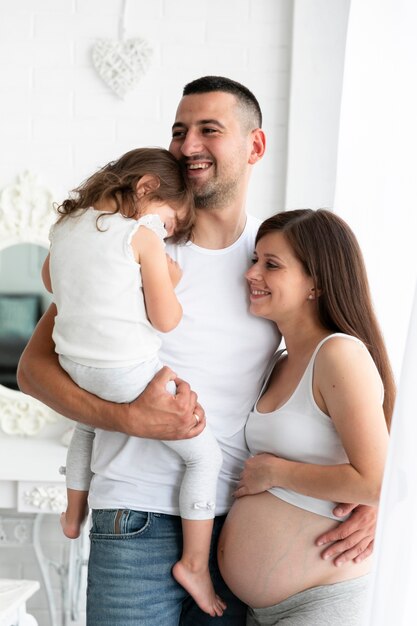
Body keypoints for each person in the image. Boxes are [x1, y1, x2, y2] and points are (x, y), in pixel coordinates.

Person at [18, 77, 378, 626]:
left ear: (255, 146)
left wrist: (379, 499)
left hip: (236, 524)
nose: (187, 146)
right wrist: (127, 418)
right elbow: (35, 370)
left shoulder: (275, 261)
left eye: (210, 130)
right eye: (180, 131)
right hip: (137, 518)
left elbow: (357, 362)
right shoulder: (133, 247)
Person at [41, 147, 226, 617]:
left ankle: (73, 512)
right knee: (205, 455)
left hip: (74, 364)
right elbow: (165, 320)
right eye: (169, 224)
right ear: (145, 189)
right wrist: (169, 273)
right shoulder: (141, 237)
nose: (166, 234)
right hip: (125, 371)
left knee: (89, 425)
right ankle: (195, 564)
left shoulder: (65, 227)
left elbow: (50, 280)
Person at [218, 209, 395, 625]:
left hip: (321, 603)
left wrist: (276, 473)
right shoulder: (278, 362)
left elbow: (377, 481)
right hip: (259, 610)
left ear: (316, 282)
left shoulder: (338, 354)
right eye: (254, 260)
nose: (251, 274)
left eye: (271, 265)